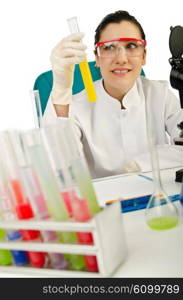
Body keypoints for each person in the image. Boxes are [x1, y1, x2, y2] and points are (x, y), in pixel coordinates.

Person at [43, 10, 183, 179]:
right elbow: (59, 168)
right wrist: (60, 91)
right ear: (97, 57)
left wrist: (139, 166)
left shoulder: (160, 94)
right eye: (109, 48)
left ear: (144, 55)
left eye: (131, 46)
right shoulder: (77, 106)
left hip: (154, 197)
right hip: (103, 202)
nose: (121, 59)